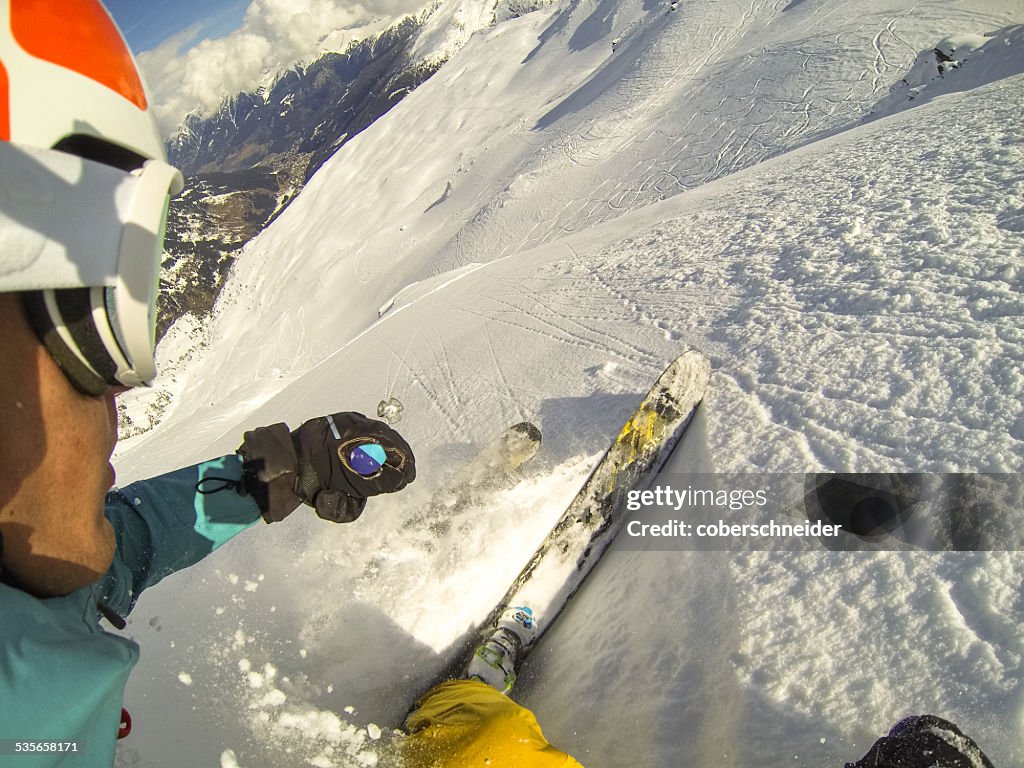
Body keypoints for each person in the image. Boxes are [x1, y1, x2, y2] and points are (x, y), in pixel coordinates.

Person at [0, 2, 414, 764]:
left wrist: (270, 477)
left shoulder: (31, 596)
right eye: (90, 327)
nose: (119, 397)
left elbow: (121, 548)